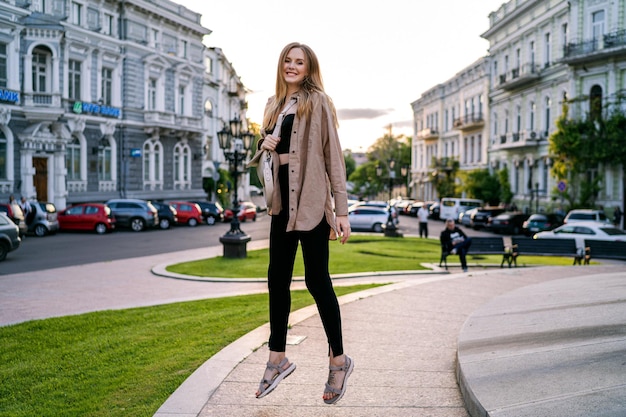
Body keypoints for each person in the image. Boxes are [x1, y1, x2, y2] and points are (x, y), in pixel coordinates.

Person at [249, 42, 353, 404]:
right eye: (288, 61)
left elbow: (333, 157)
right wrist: (265, 142)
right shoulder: (272, 105)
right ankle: (278, 358)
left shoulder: (318, 102)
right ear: (281, 65)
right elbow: (267, 158)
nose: (292, 67)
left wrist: (341, 211)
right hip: (281, 204)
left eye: (299, 63)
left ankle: (338, 360)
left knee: (316, 280)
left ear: (309, 69)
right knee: (276, 279)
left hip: (309, 203)